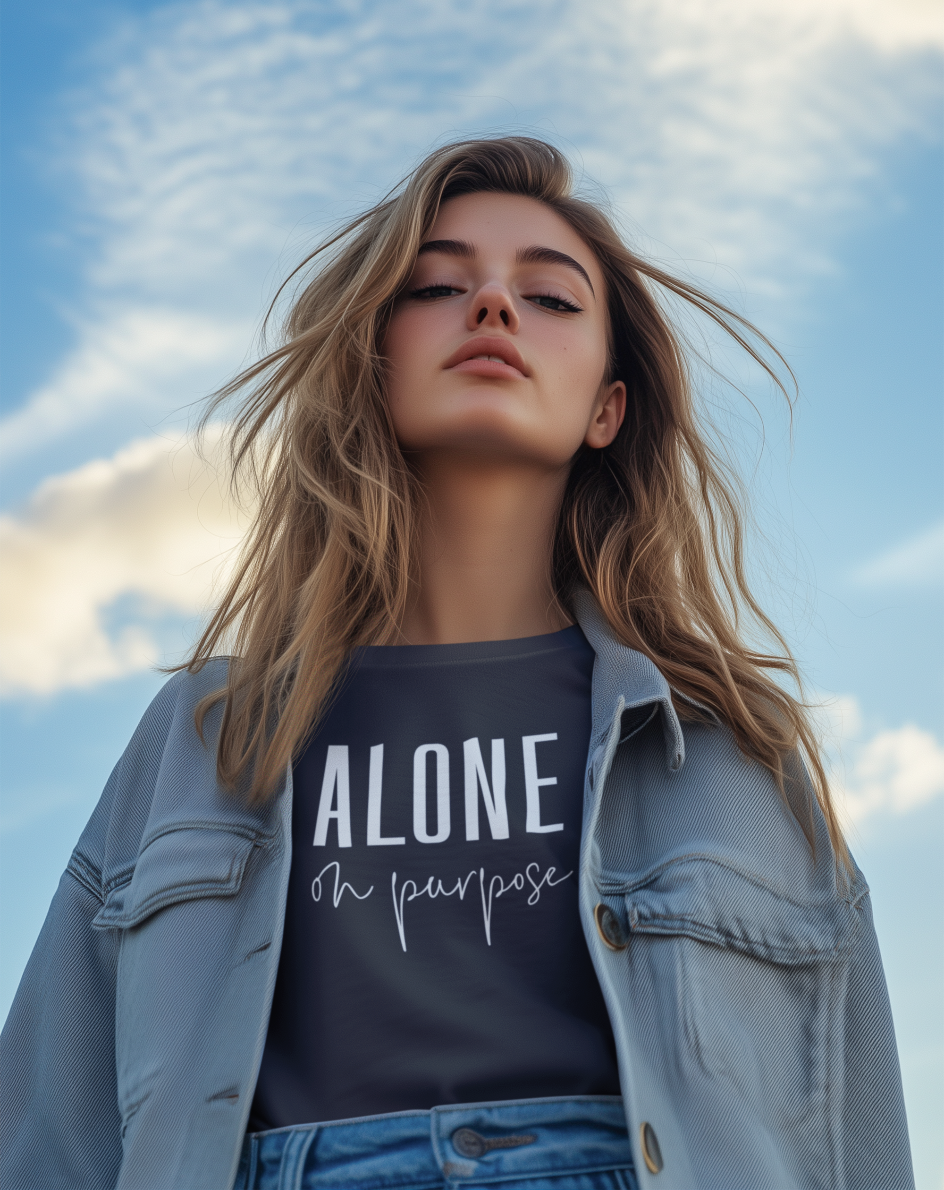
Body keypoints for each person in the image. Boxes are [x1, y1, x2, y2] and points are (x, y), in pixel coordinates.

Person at [0, 137, 913, 1190]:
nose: (491, 307)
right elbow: (47, 1136)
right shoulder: (201, 736)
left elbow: (847, 1132)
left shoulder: (728, 747)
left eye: (552, 299)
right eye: (437, 284)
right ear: (370, 363)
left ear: (606, 408)